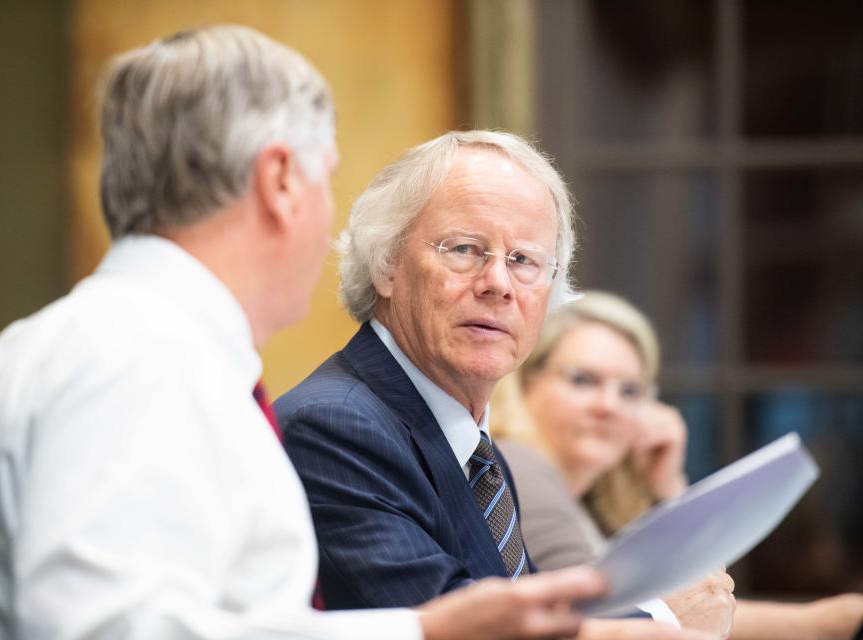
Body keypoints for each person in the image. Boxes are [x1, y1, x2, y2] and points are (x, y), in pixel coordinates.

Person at [0, 25, 612, 640]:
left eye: (525, 262)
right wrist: (422, 633)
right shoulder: (135, 356)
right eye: (329, 180)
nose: (331, 226)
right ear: (282, 179)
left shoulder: (115, 342)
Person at [276, 130, 728, 639]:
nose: (499, 283)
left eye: (524, 260)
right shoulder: (335, 426)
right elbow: (463, 630)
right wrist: (669, 620)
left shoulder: (476, 453)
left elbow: (525, 615)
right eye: (465, 249)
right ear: (386, 266)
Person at [490, 289, 863, 640]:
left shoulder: (584, 499)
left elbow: (692, 604)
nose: (609, 406)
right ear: (524, 382)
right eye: (583, 380)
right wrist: (822, 623)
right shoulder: (520, 466)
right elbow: (614, 616)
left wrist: (667, 487)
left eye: (629, 391)